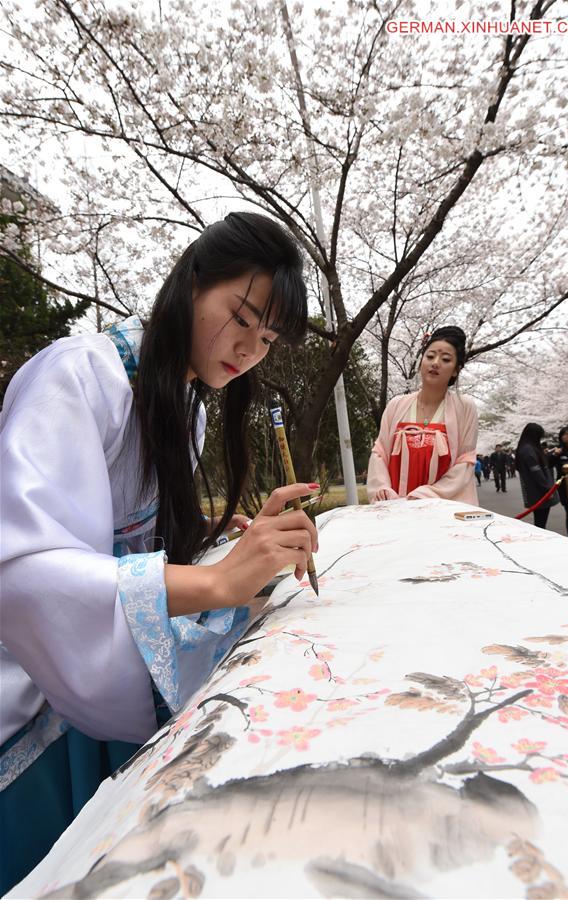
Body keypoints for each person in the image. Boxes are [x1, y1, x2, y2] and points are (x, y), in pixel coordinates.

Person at [0, 212, 319, 892]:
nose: (248, 351)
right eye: (241, 318)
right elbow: (22, 572)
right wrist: (213, 586)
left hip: (91, 675)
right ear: (191, 281)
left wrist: (221, 535)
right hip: (27, 685)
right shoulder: (78, 374)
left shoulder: (186, 405)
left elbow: (130, 538)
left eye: (266, 340)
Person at [367, 326, 478, 505]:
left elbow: (465, 462)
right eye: (430, 356)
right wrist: (382, 488)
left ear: (456, 370)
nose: (435, 363)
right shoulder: (397, 405)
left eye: (446, 359)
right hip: (396, 507)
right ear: (421, 362)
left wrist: (428, 495)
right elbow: (380, 453)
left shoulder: (465, 407)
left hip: (441, 508)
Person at [515, 423, 559, 529]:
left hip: (534, 488)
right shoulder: (528, 449)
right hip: (538, 490)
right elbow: (536, 472)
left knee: (540, 519)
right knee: (540, 521)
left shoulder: (525, 448)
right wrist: (548, 490)